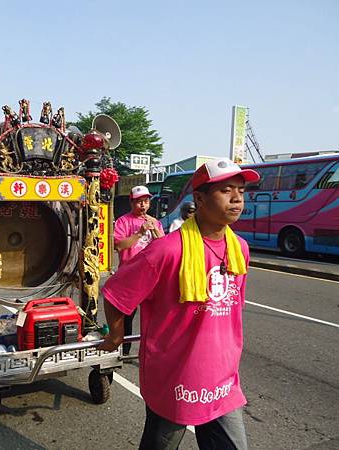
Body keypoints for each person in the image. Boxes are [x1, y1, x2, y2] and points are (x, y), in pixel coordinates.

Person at [99, 158, 260, 449]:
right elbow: (115, 292)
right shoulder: (167, 250)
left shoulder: (240, 249)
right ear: (199, 198)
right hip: (176, 379)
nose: (237, 198)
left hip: (222, 377)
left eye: (241, 190)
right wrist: (116, 335)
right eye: (226, 190)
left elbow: (232, 309)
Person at [113, 185, 164, 354]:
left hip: (151, 275)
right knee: (127, 316)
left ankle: (151, 350)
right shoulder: (123, 221)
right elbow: (119, 246)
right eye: (139, 202)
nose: (143, 205)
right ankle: (124, 350)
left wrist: (155, 229)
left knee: (153, 316)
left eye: (146, 201)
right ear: (131, 202)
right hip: (130, 276)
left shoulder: (154, 221)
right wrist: (139, 233)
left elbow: (163, 246)